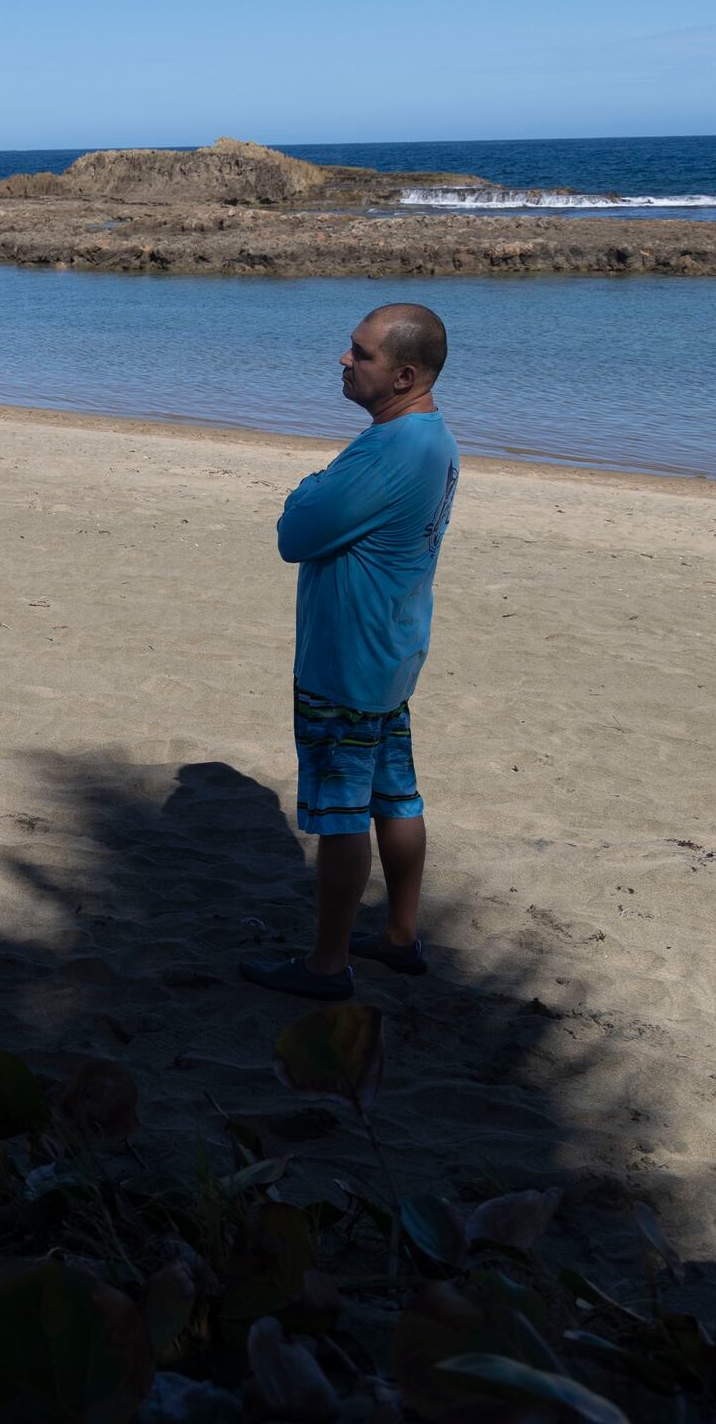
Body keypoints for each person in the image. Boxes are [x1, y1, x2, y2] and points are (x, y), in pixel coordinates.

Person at [240, 305, 459, 1001]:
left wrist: (310, 485)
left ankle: (327, 965)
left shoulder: (390, 449)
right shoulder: (433, 437)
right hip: (392, 650)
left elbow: (294, 532)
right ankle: (399, 933)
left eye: (359, 354)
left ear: (402, 375)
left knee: (342, 816)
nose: (343, 359)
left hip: (347, 662)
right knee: (394, 794)